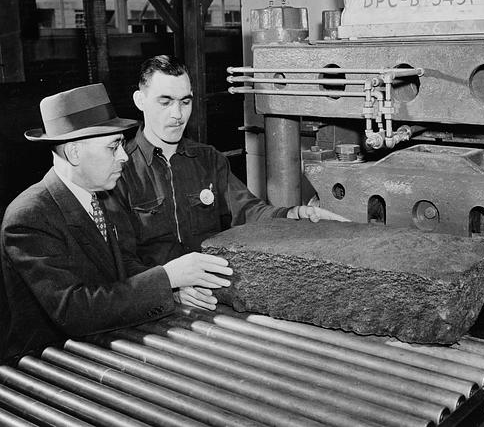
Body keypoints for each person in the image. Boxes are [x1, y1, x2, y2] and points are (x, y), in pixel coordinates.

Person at [0, 83, 232, 364]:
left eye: (122, 144)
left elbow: (120, 268)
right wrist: (167, 277)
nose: (123, 156)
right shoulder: (29, 217)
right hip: (44, 365)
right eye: (113, 147)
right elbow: (75, 311)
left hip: (93, 345)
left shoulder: (96, 197)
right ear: (74, 153)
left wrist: (173, 290)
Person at [110, 55, 348, 310]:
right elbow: (121, 259)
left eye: (185, 102)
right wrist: (170, 288)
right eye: (165, 102)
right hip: (156, 303)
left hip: (215, 293)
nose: (177, 114)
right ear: (140, 100)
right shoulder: (118, 172)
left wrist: (293, 215)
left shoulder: (208, 160)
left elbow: (247, 212)